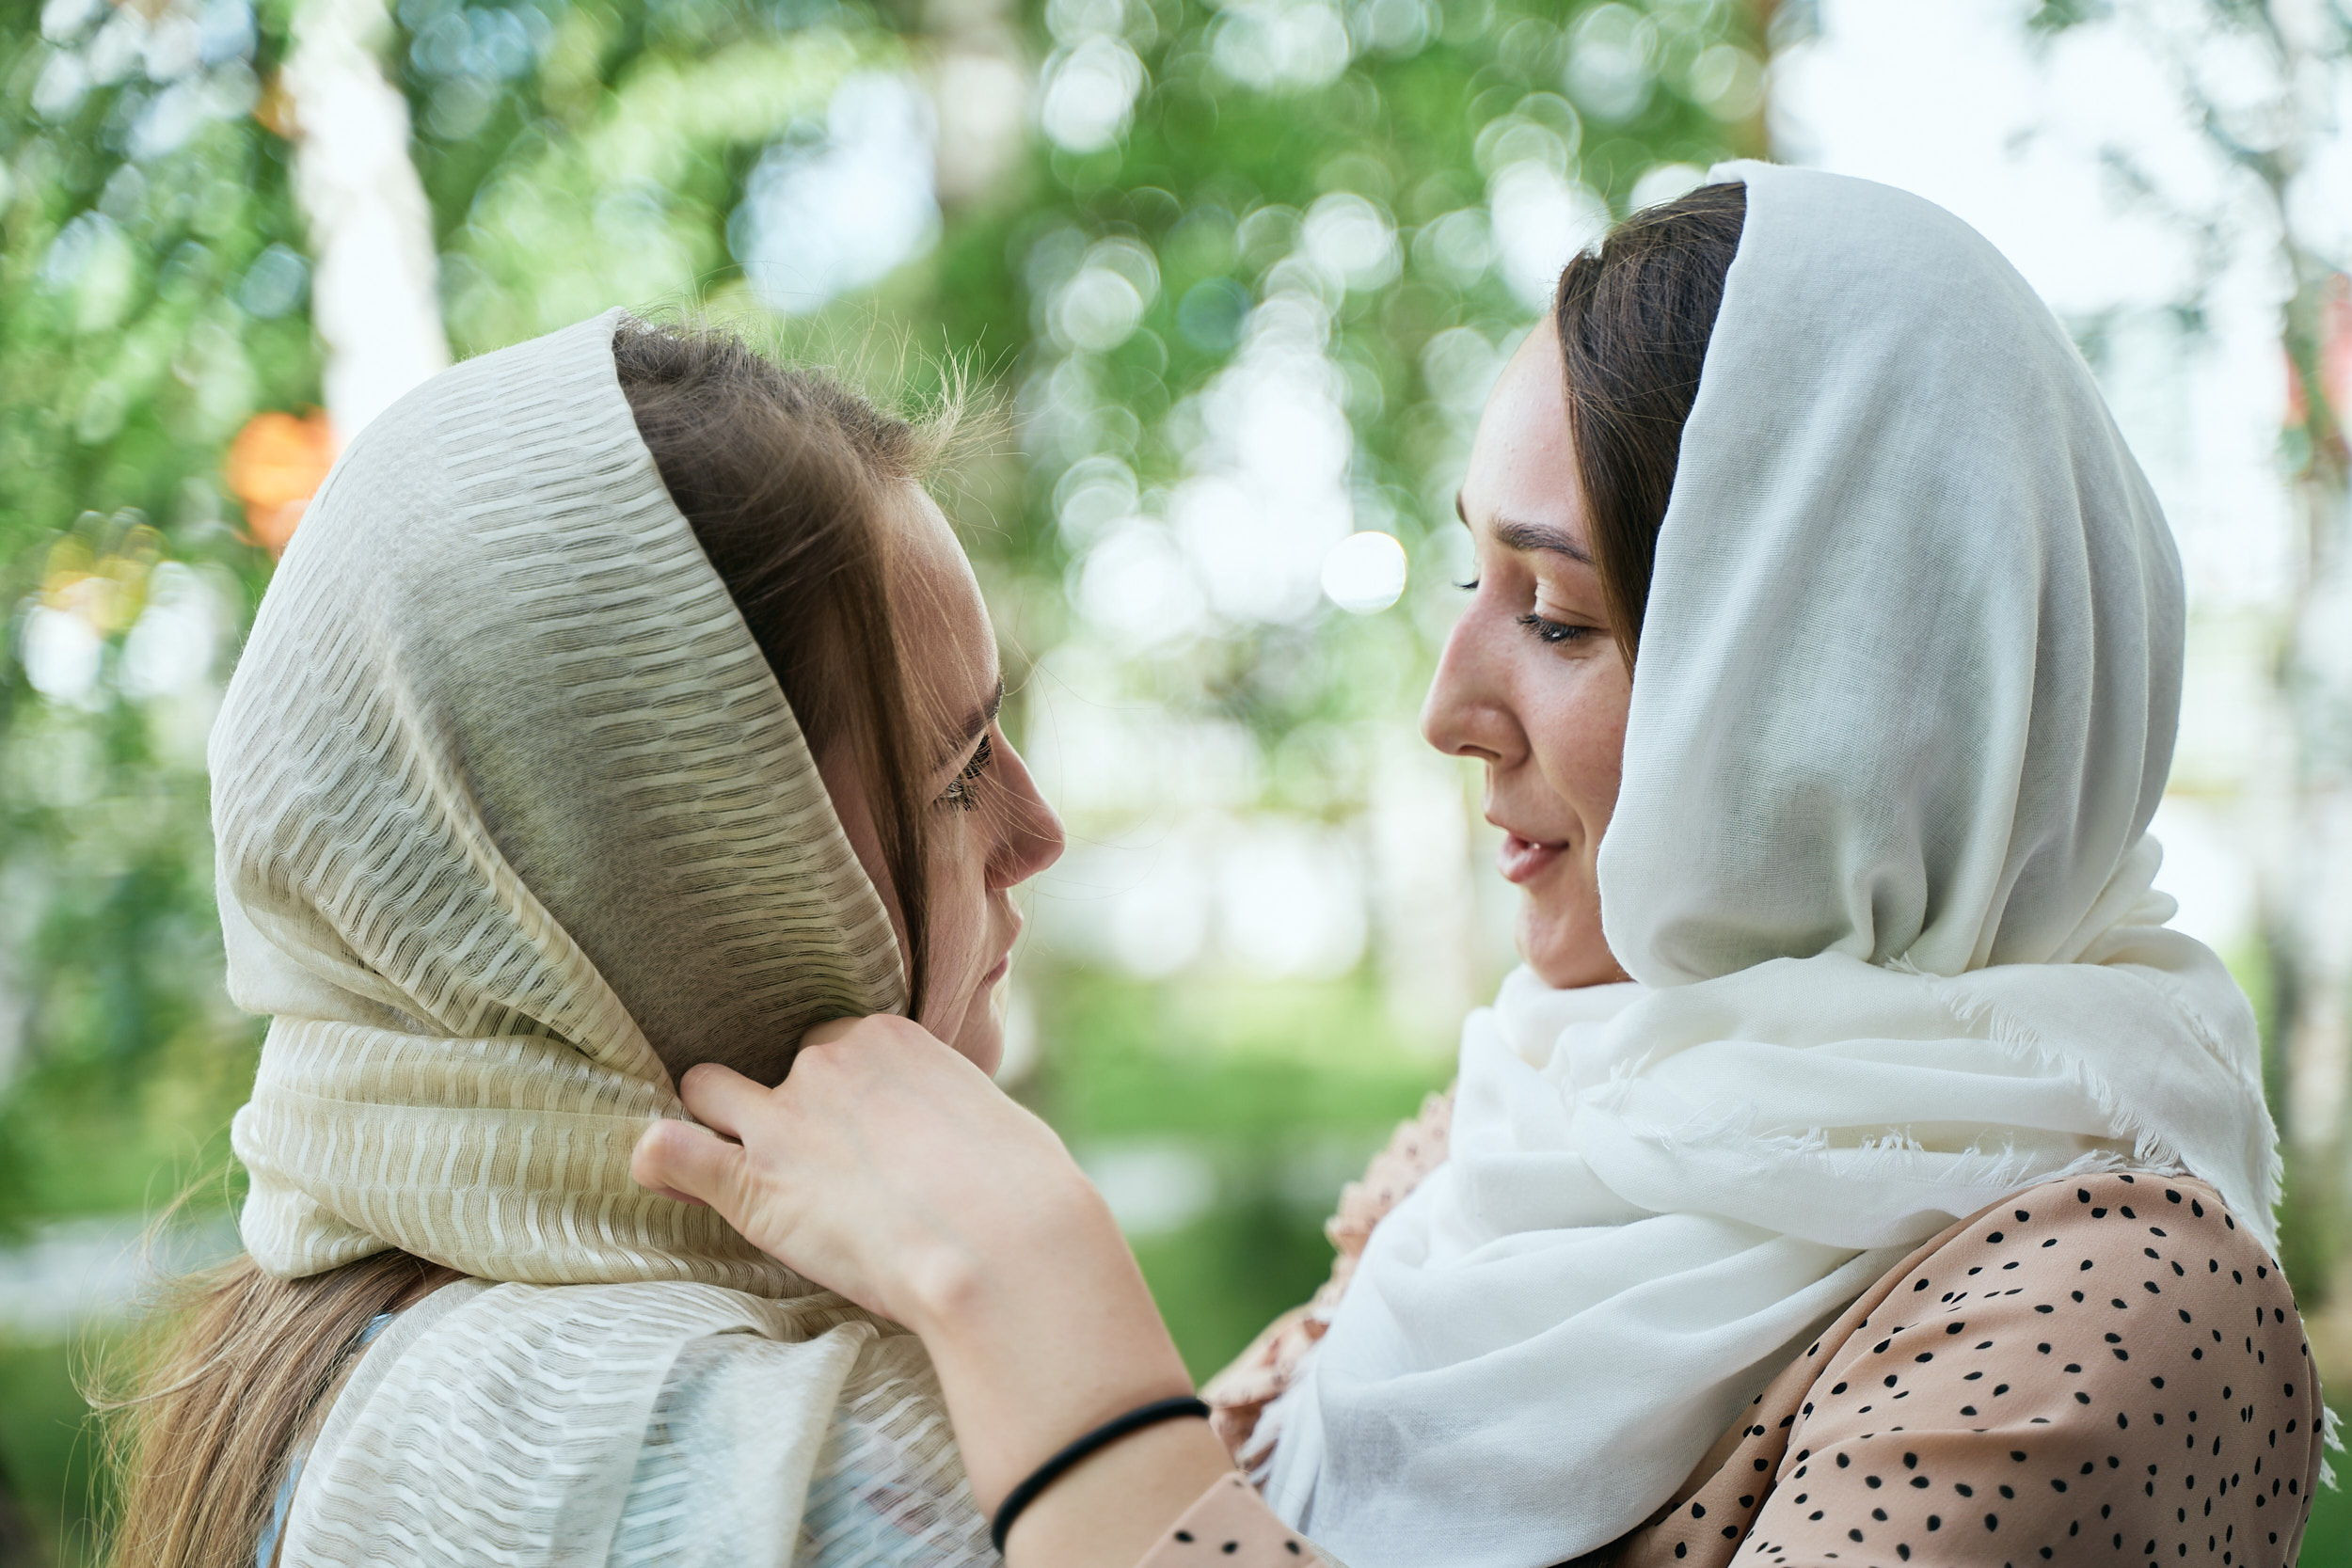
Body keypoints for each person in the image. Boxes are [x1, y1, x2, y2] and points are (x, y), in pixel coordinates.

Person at [629, 164, 2328, 1567]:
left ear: (1856, 701)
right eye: (1472, 583)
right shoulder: (1521, 1139)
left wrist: (1052, 1333)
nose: (1448, 711)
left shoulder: (2108, 1314)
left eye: (1562, 618)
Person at [102, 310, 1062, 1568]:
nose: (1036, 832)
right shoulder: (762, 1475)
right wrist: (1068, 1313)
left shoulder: (346, 1338)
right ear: (696, 905)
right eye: (957, 775)